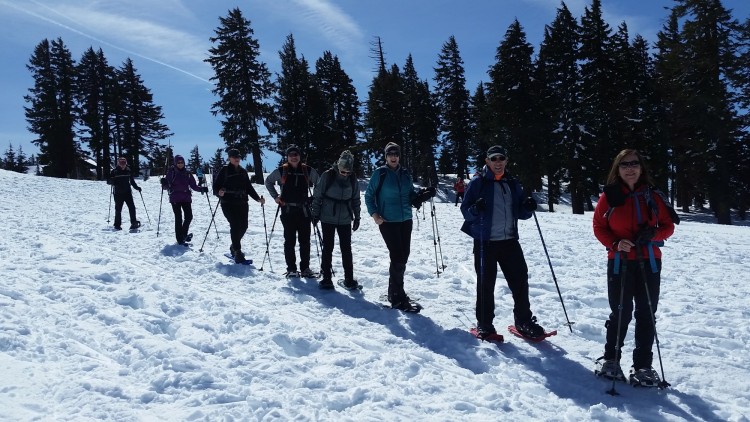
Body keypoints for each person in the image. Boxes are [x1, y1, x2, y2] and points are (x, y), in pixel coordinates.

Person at [592, 149, 677, 386]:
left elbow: (669, 225)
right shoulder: (609, 196)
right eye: (624, 164)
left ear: (641, 168)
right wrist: (615, 243)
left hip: (649, 261)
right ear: (617, 169)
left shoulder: (653, 195)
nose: (630, 168)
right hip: (619, 261)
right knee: (620, 311)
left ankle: (643, 366)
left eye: (634, 164)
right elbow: (599, 226)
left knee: (646, 312)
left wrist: (654, 233)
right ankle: (611, 359)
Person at [460, 145, 545, 339]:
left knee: (520, 280)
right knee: (486, 284)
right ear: (487, 162)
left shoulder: (512, 183)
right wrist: (475, 208)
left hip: (509, 240)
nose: (498, 162)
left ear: (506, 161)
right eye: (494, 159)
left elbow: (521, 213)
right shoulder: (478, 183)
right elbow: (466, 211)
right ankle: (484, 324)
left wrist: (528, 207)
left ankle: (523, 321)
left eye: (501, 159)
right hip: (485, 242)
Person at [364, 142, 435, 311]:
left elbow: (410, 194)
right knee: (397, 256)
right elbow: (368, 196)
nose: (393, 157)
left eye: (396, 154)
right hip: (387, 221)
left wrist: (422, 195)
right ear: (386, 156)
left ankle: (395, 291)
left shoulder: (405, 174)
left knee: (403, 256)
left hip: (406, 220)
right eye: (390, 154)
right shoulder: (379, 174)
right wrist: (374, 215)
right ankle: (397, 296)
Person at [264, 144, 320, 277]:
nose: (294, 157)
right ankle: (291, 269)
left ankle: (305, 268)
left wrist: (314, 198)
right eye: (291, 155)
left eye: (296, 155)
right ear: (287, 157)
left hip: (304, 211)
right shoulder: (282, 170)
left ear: (299, 156)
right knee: (289, 240)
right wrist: (276, 197)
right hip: (287, 210)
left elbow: (319, 184)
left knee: (305, 241)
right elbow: (268, 182)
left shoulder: (307, 170)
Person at [310, 150, 361, 289]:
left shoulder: (352, 178)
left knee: (346, 249)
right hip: (327, 217)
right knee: (328, 247)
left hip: (345, 218)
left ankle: (349, 279)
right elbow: (318, 196)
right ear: (338, 166)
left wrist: (357, 217)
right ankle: (326, 278)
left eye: (347, 172)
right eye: (343, 171)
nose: (345, 174)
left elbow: (356, 199)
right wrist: (315, 214)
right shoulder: (328, 175)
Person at [213, 148, 265, 263]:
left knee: (244, 226)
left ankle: (233, 246)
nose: (237, 159)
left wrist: (257, 199)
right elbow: (216, 186)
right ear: (230, 158)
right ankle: (237, 252)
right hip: (228, 203)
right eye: (234, 157)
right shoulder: (225, 170)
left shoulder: (243, 171)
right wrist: (219, 192)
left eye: (238, 157)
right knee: (235, 225)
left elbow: (249, 188)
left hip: (242, 203)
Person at [161, 155, 208, 245]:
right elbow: (166, 186)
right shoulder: (171, 172)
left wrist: (201, 189)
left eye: (182, 162)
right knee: (178, 218)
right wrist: (164, 183)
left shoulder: (188, 173)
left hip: (186, 197)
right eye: (178, 162)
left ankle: (183, 235)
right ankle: (180, 238)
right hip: (175, 197)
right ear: (175, 163)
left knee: (189, 217)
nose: (180, 164)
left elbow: (193, 186)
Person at [107, 156, 142, 231]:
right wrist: (111, 181)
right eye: (121, 163)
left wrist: (137, 187)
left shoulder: (128, 170)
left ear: (126, 163)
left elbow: (132, 181)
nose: (123, 164)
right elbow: (108, 181)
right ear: (118, 163)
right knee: (118, 209)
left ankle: (133, 223)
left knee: (132, 207)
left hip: (127, 192)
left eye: (124, 163)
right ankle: (117, 224)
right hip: (118, 193)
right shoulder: (114, 171)